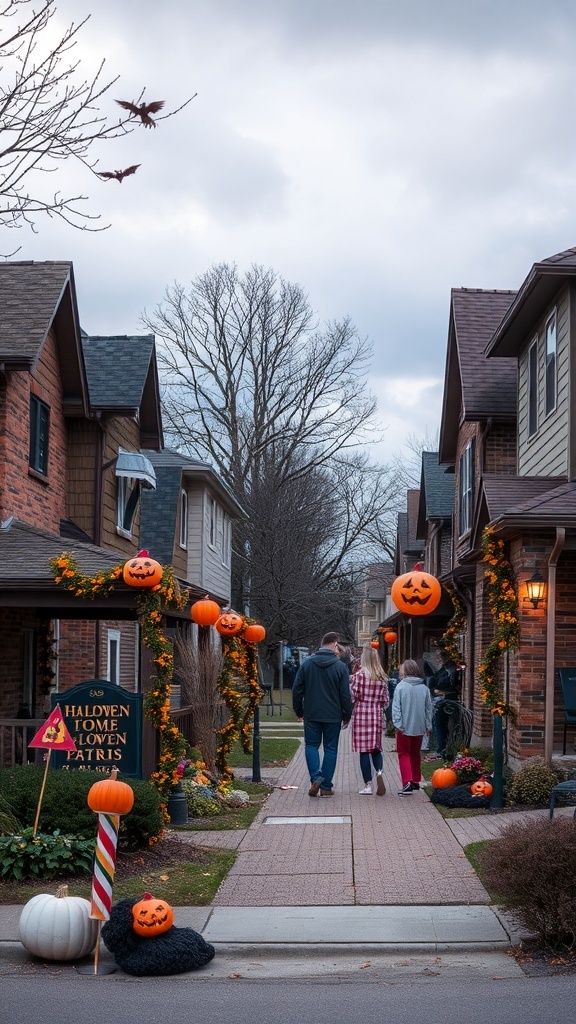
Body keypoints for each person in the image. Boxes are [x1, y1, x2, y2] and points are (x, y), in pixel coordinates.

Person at [292, 631, 353, 797]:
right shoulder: (341, 667)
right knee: (331, 749)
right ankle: (326, 786)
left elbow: (297, 689)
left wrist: (299, 710)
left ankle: (316, 777)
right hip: (333, 714)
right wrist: (347, 714)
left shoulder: (307, 664)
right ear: (334, 644)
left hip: (311, 712)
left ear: (322, 643)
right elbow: (345, 694)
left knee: (311, 745)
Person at [349, 644, 390, 795]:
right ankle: (379, 771)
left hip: (361, 714)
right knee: (376, 748)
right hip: (376, 714)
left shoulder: (358, 676)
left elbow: (352, 697)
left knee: (363, 751)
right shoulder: (381, 677)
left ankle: (368, 785)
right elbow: (386, 701)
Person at [391, 659, 432, 795]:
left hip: (404, 727)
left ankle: (407, 781)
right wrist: (428, 725)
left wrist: (398, 724)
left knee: (404, 754)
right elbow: (428, 709)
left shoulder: (401, 687)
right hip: (419, 726)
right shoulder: (424, 688)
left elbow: (396, 708)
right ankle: (415, 780)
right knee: (415, 753)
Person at [431, 649, 460, 758]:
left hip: (448, 699)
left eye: (439, 657)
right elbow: (433, 681)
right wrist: (434, 690)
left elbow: (446, 682)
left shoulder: (450, 668)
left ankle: (443, 748)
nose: (437, 660)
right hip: (442, 698)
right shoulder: (443, 669)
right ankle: (441, 747)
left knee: (441, 724)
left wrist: (437, 689)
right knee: (439, 724)